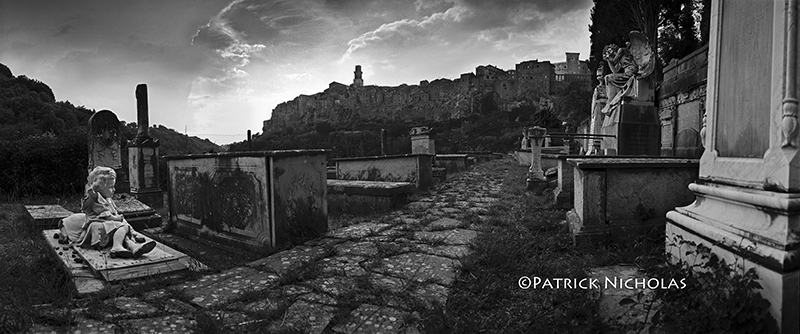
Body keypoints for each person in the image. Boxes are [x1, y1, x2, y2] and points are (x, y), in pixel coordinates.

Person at [59, 166, 155, 258]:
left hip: (107, 222)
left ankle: (133, 247)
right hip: (97, 222)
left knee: (122, 228)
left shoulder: (108, 200)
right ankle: (118, 247)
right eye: (110, 187)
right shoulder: (95, 198)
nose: (114, 190)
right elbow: (105, 214)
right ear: (99, 188)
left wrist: (133, 232)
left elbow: (115, 215)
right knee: (122, 226)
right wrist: (116, 218)